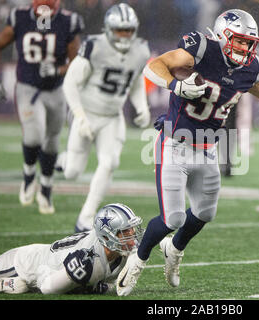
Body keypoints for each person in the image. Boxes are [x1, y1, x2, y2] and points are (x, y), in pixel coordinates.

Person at [116, 9, 259, 296]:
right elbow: (155, 65)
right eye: (240, 41)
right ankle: (138, 259)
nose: (246, 48)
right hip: (174, 144)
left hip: (208, 148)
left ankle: (174, 249)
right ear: (223, 36)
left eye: (249, 43)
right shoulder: (200, 48)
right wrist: (175, 84)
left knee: (204, 213)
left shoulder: (249, 67)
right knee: (173, 219)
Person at [57, 3, 151, 233]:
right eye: (120, 30)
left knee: (110, 162)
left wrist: (142, 106)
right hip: (87, 112)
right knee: (72, 172)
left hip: (112, 116)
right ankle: (61, 161)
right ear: (109, 28)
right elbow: (70, 83)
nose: (125, 35)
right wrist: (79, 117)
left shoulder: (140, 50)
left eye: (128, 30)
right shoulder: (94, 47)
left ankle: (85, 218)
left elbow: (136, 80)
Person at [0, 0, 84, 214]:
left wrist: (59, 70)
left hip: (56, 90)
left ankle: (46, 190)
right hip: (28, 88)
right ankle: (29, 173)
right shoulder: (20, 18)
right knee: (33, 136)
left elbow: (76, 62)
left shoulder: (67, 21)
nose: (45, 5)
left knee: (51, 143)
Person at [0, 203, 144, 294]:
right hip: (24, 264)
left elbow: (109, 282)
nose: (132, 236)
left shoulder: (119, 252)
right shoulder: (89, 259)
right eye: (125, 232)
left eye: (132, 230)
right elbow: (47, 287)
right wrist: (79, 279)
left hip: (42, 262)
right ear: (107, 236)